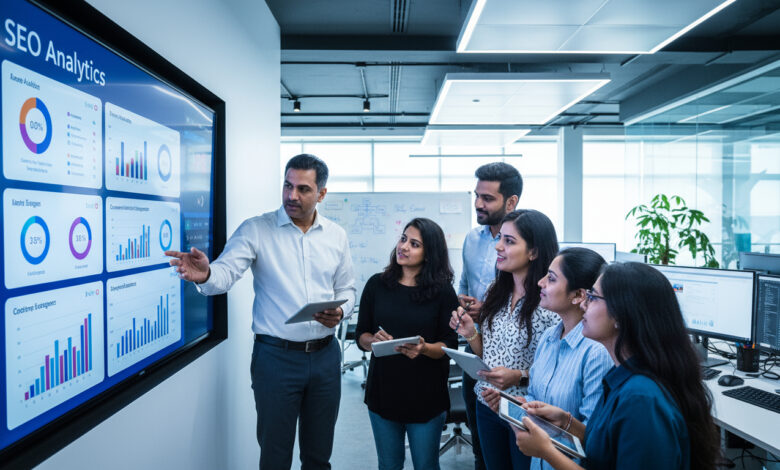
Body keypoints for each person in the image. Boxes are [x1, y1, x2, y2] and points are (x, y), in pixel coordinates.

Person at [166, 154, 356, 470]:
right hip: (276, 360)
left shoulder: (337, 236)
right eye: (287, 185)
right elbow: (224, 274)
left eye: (304, 189)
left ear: (321, 194)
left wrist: (341, 310)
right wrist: (207, 274)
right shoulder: (257, 230)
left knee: (319, 456)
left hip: (326, 357)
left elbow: (347, 289)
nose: (292, 196)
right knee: (275, 456)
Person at [513, 262, 720, 470]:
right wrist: (567, 423)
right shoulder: (622, 376)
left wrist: (546, 451)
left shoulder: (641, 399)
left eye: (593, 297)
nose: (583, 304)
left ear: (621, 315)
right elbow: (607, 450)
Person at [481, 248, 613, 470]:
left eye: (551, 279)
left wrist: (550, 441)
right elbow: (535, 396)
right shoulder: (549, 337)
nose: (540, 283)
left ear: (579, 295)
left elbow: (595, 440)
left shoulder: (596, 353)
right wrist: (518, 407)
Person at [451, 209, 559, 470]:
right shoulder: (495, 290)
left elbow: (559, 369)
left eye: (509, 241)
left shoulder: (549, 301)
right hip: (486, 403)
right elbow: (489, 352)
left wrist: (519, 376)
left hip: (525, 411)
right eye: (500, 238)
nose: (498, 246)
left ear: (533, 252)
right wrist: (470, 334)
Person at [355, 218, 459, 470]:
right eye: (403, 239)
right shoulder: (376, 285)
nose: (403, 247)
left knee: (426, 465)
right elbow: (361, 336)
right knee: (389, 465)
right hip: (383, 393)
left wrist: (424, 348)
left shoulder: (443, 292)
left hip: (426, 396)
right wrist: (372, 341)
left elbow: (448, 345)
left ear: (429, 253)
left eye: (414, 244)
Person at [458, 162, 522, 470]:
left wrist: (489, 310)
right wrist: (462, 303)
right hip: (477, 347)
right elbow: (464, 285)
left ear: (511, 202)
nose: (478, 204)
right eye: (476, 195)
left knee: (518, 451)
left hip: (518, 357)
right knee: (482, 444)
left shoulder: (530, 243)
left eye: (488, 198)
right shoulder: (471, 240)